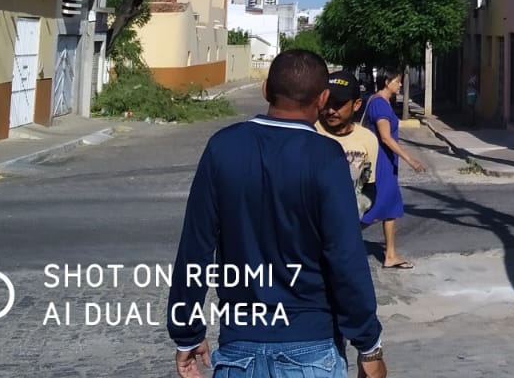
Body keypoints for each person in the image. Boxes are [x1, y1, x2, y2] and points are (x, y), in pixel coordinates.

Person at [167, 49, 387, 378]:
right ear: (323, 96)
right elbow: (345, 258)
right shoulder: (327, 158)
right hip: (311, 348)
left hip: (238, 351)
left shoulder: (222, 147)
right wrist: (368, 345)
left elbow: (195, 248)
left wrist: (187, 334)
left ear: (265, 89)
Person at [360, 71, 427, 269]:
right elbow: (386, 137)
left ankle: (390, 255)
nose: (399, 85)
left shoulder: (380, 101)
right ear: (387, 82)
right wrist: (410, 159)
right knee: (375, 208)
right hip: (380, 162)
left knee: (391, 207)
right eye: (397, 82)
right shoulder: (379, 104)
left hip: (386, 162)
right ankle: (337, 240)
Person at [314, 71, 380, 219]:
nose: (330, 111)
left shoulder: (367, 139)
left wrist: (357, 211)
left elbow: (369, 186)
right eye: (327, 104)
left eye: (338, 104)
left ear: (356, 105)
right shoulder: (310, 132)